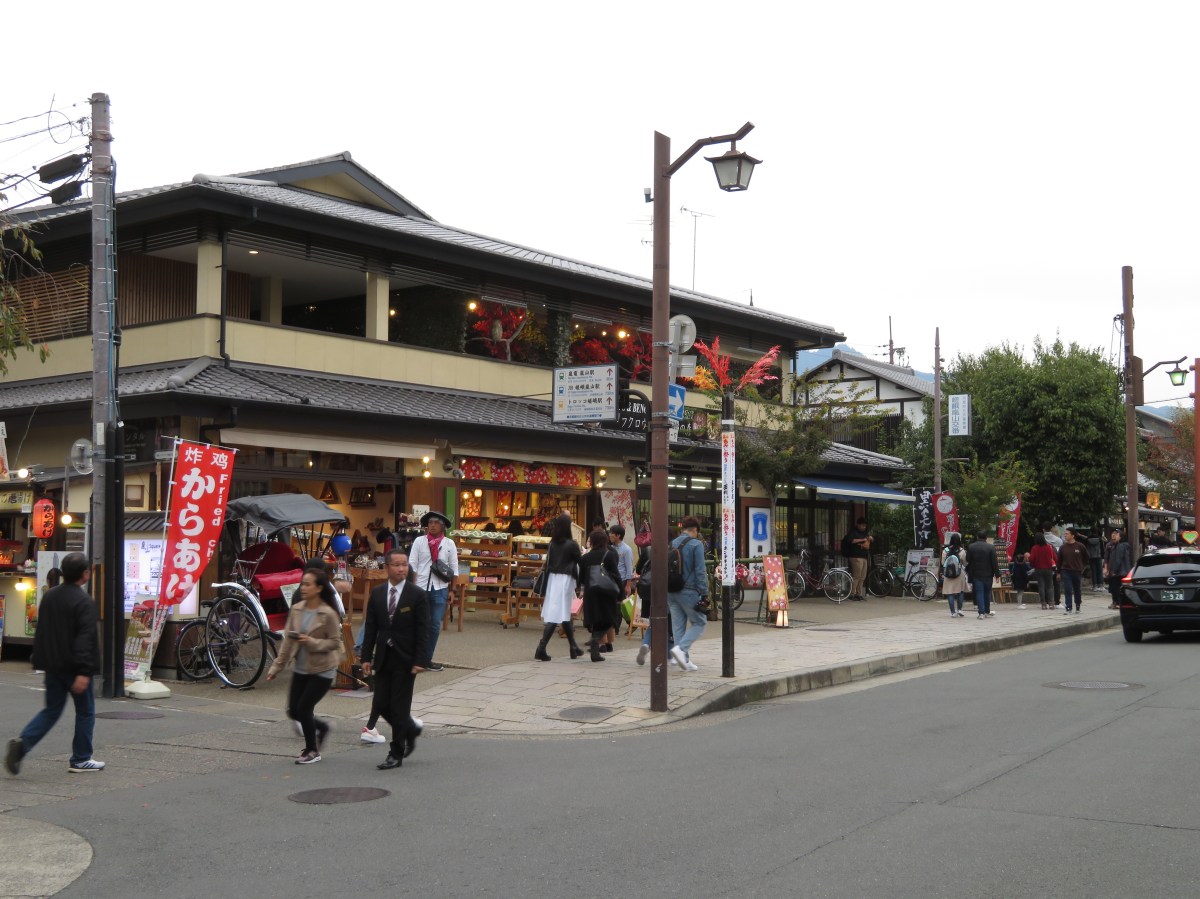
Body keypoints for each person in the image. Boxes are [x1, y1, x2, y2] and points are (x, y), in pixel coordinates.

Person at [6, 552, 104, 776]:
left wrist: (39, 660)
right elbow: (85, 639)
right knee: (86, 712)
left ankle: (22, 745)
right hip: (75, 668)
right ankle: (81, 758)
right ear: (85, 574)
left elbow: (42, 631)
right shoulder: (84, 602)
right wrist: (84, 671)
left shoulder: (50, 596)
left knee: (51, 710)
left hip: (52, 666)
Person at [266, 567, 343, 764]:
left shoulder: (328, 613)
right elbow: (288, 642)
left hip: (323, 668)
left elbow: (335, 643)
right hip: (301, 666)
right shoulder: (297, 609)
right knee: (293, 711)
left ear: (319, 588)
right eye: (302, 584)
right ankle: (323, 727)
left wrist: (311, 642)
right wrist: (276, 667)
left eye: (308, 584)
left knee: (304, 708)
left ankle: (312, 750)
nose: (303, 588)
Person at [361, 549, 428, 770]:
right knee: (380, 703)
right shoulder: (378, 593)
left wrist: (420, 660)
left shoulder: (416, 595)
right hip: (383, 656)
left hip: (406, 658)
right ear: (387, 567)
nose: (401, 569)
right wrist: (366, 657)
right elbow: (371, 626)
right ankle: (409, 728)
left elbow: (423, 630)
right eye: (397, 565)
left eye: (405, 565)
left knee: (399, 707)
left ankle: (396, 753)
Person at [407, 510, 457, 672]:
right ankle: (415, 657)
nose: (433, 525)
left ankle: (426, 659)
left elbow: (454, 568)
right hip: (420, 587)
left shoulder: (449, 544)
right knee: (420, 623)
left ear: (442, 526)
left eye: (436, 523)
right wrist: (412, 588)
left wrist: (453, 590)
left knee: (435, 624)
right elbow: (412, 565)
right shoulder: (419, 541)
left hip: (440, 588)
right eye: (430, 523)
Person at [533, 514, 584, 662]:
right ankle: (541, 648)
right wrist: (581, 583)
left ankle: (573, 646)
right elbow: (580, 562)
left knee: (563, 613)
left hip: (552, 579)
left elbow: (548, 563)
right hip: (565, 580)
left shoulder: (552, 544)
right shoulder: (572, 545)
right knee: (557, 614)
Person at [668, 517, 710, 672]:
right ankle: (680, 650)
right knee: (700, 623)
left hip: (671, 591)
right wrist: (704, 593)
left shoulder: (672, 543)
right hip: (688, 590)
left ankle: (683, 660)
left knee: (678, 626)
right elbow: (700, 571)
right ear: (695, 530)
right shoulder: (696, 544)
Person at [580, 529, 622, 662]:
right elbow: (616, 575)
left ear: (592, 541)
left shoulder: (585, 558)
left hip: (590, 593)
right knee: (610, 619)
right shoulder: (609, 555)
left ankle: (595, 652)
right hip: (606, 593)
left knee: (595, 620)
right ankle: (596, 640)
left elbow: (581, 578)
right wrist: (621, 593)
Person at [607, 524, 635, 646]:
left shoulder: (626, 550)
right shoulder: (610, 548)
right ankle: (626, 624)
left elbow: (629, 568)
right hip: (612, 580)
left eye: (612, 533)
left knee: (619, 605)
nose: (610, 535)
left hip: (622, 580)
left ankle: (619, 627)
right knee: (618, 605)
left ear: (618, 535)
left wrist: (628, 585)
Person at [965, 530, 1000, 619]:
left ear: (977, 537)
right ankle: (987, 610)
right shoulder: (991, 547)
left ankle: (981, 613)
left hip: (976, 573)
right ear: (986, 538)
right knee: (987, 592)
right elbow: (994, 562)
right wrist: (997, 574)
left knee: (979, 592)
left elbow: (968, 559)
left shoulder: (971, 547)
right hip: (988, 574)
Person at [1059, 527, 1089, 614]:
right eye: (1065, 534)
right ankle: (1068, 608)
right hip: (1066, 571)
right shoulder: (1063, 547)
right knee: (1067, 589)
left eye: (1067, 534)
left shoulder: (1080, 546)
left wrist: (1081, 566)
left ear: (1072, 535)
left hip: (1077, 571)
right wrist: (1058, 572)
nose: (1065, 535)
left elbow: (1086, 557)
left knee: (1077, 590)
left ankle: (1078, 605)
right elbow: (1059, 561)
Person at [841, 517, 872, 600]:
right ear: (858, 524)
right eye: (862, 525)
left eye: (865, 525)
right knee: (856, 575)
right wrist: (862, 539)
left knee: (862, 576)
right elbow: (851, 540)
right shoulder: (853, 532)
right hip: (855, 556)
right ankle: (852, 594)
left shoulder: (865, 533)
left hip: (864, 556)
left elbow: (868, 539)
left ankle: (859, 594)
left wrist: (870, 538)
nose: (864, 527)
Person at [1102, 529, 1132, 610]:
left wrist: (1114, 571)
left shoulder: (1121, 545)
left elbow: (1118, 559)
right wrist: (1106, 568)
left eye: (1116, 534)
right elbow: (1106, 558)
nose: (1114, 535)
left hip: (1119, 571)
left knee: (1117, 588)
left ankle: (1118, 603)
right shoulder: (1111, 545)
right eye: (1113, 533)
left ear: (1121, 536)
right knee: (1114, 587)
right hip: (1117, 570)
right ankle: (1116, 602)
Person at [1028, 533, 1058, 610]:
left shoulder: (1034, 548)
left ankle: (1043, 603)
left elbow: (1031, 559)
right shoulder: (1049, 547)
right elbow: (1055, 558)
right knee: (1049, 586)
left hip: (1038, 569)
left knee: (1041, 586)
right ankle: (1051, 603)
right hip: (1048, 569)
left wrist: (1033, 565)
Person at [941, 533, 967, 617]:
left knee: (950, 593)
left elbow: (943, 563)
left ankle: (953, 612)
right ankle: (960, 609)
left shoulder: (945, 550)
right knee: (960, 591)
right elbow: (965, 563)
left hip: (948, 574)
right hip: (959, 573)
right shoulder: (962, 550)